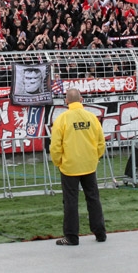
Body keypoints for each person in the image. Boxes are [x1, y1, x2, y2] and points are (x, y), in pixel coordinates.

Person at [49, 88, 107, 245]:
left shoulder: (62, 119)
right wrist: (95, 157)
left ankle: (71, 236)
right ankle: (100, 233)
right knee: (93, 198)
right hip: (89, 165)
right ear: (81, 99)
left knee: (70, 202)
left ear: (66, 101)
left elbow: (55, 146)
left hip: (69, 167)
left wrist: (59, 162)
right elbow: (101, 142)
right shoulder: (91, 118)